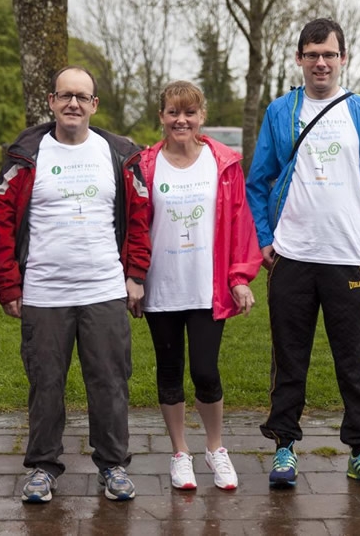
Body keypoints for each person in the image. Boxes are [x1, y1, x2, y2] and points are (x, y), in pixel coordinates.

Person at [246, 18, 360, 491]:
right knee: (289, 357)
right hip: (291, 257)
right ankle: (284, 445)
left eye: (330, 54)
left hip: (351, 258)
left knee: (354, 361)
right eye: (312, 54)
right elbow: (257, 183)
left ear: (344, 59)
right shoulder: (280, 112)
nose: (321, 62)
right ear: (299, 59)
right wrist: (265, 239)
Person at [0, 65, 150, 503]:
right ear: (52, 102)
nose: (73, 104)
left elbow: (139, 218)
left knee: (110, 382)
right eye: (65, 96)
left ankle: (113, 466)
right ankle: (43, 468)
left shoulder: (118, 154)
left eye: (82, 97)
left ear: (94, 104)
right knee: (45, 384)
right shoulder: (27, 154)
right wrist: (8, 284)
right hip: (44, 293)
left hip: (104, 290)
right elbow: (0, 222)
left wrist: (136, 274)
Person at [139, 81, 262, 490]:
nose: (181, 120)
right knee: (169, 371)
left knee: (206, 372)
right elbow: (135, 228)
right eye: (173, 112)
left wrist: (240, 278)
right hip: (161, 287)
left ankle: (215, 448)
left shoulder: (222, 163)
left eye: (189, 113)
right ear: (162, 117)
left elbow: (242, 223)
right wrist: (134, 278)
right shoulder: (145, 166)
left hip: (207, 289)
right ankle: (180, 453)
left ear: (201, 117)